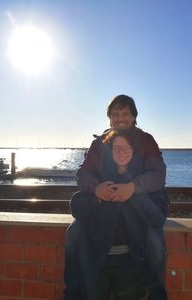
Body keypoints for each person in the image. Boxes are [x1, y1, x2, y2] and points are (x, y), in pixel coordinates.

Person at [64, 95, 168, 300]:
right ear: (109, 118)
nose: (120, 118)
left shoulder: (146, 140)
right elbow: (83, 174)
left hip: (138, 205)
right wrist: (96, 188)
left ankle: (157, 294)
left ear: (134, 117)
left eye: (125, 114)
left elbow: (158, 175)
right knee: (73, 232)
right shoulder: (99, 143)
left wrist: (133, 187)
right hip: (104, 206)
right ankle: (72, 292)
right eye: (115, 114)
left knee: (154, 240)